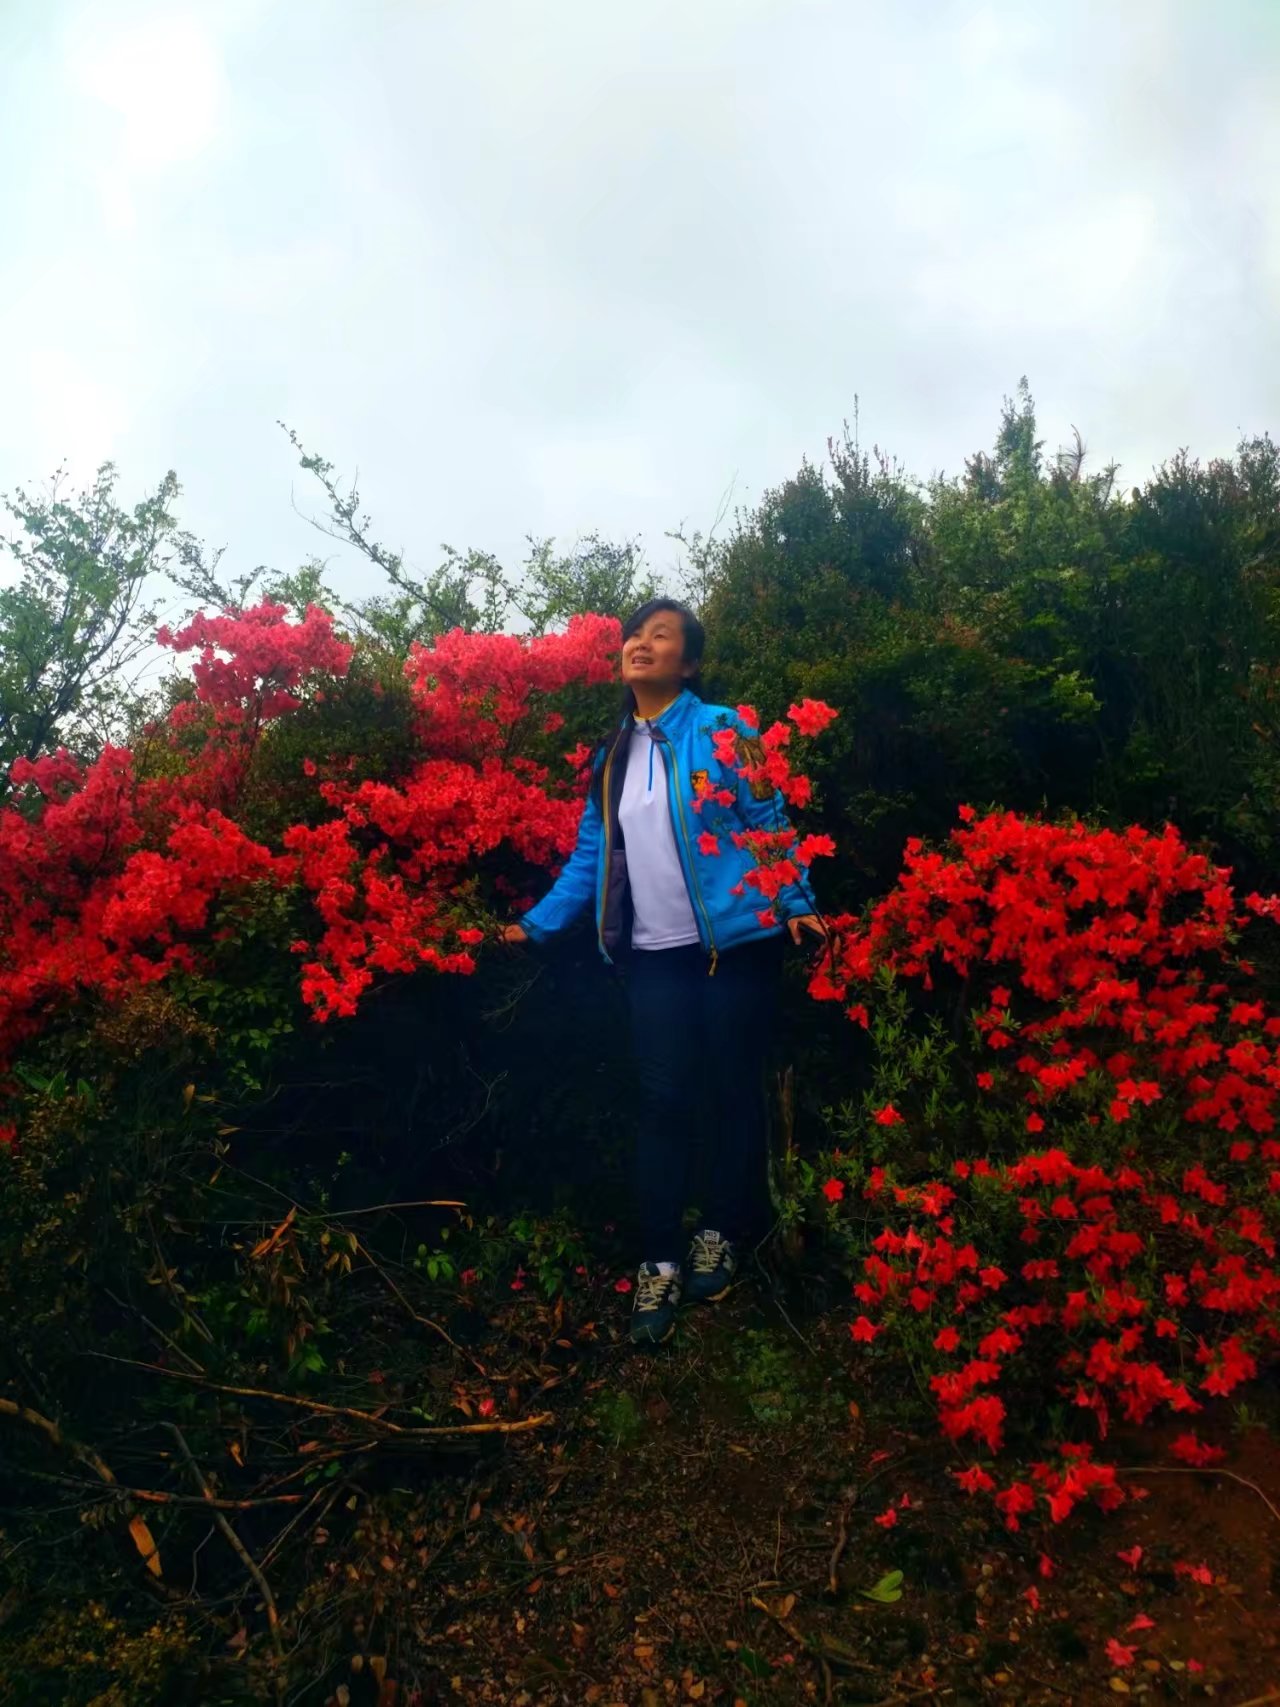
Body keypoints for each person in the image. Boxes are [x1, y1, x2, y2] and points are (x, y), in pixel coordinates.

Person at [502, 599, 825, 1345]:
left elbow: (768, 820)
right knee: (662, 1098)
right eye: (634, 635)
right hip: (655, 955)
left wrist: (798, 902)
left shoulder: (725, 729)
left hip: (736, 944)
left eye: (661, 636)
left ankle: (722, 1230)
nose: (640, 644)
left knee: (732, 1089)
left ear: (690, 662)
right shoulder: (612, 755)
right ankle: (659, 1258)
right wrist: (537, 923)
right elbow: (592, 855)